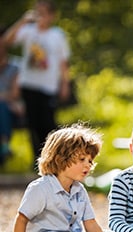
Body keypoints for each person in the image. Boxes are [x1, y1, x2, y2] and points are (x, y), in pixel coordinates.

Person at [12, 124, 133, 232]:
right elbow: (21, 219)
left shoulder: (79, 190)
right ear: (60, 158)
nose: (88, 165)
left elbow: (90, 223)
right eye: (82, 159)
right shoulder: (41, 188)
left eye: (90, 161)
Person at [2, 0, 71, 167]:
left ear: (51, 15)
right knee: (32, 124)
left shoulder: (57, 35)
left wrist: (65, 83)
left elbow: (63, 62)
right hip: (29, 84)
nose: (40, 16)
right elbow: (6, 41)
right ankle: (37, 162)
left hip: (48, 86)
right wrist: (23, 21)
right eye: (38, 11)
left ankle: (55, 157)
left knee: (47, 123)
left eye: (44, 12)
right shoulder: (28, 31)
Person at [0, 42, 22, 165]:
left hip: (11, 107)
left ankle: (4, 145)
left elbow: (14, 93)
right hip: (7, 104)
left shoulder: (14, 67)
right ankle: (4, 145)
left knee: (2, 108)